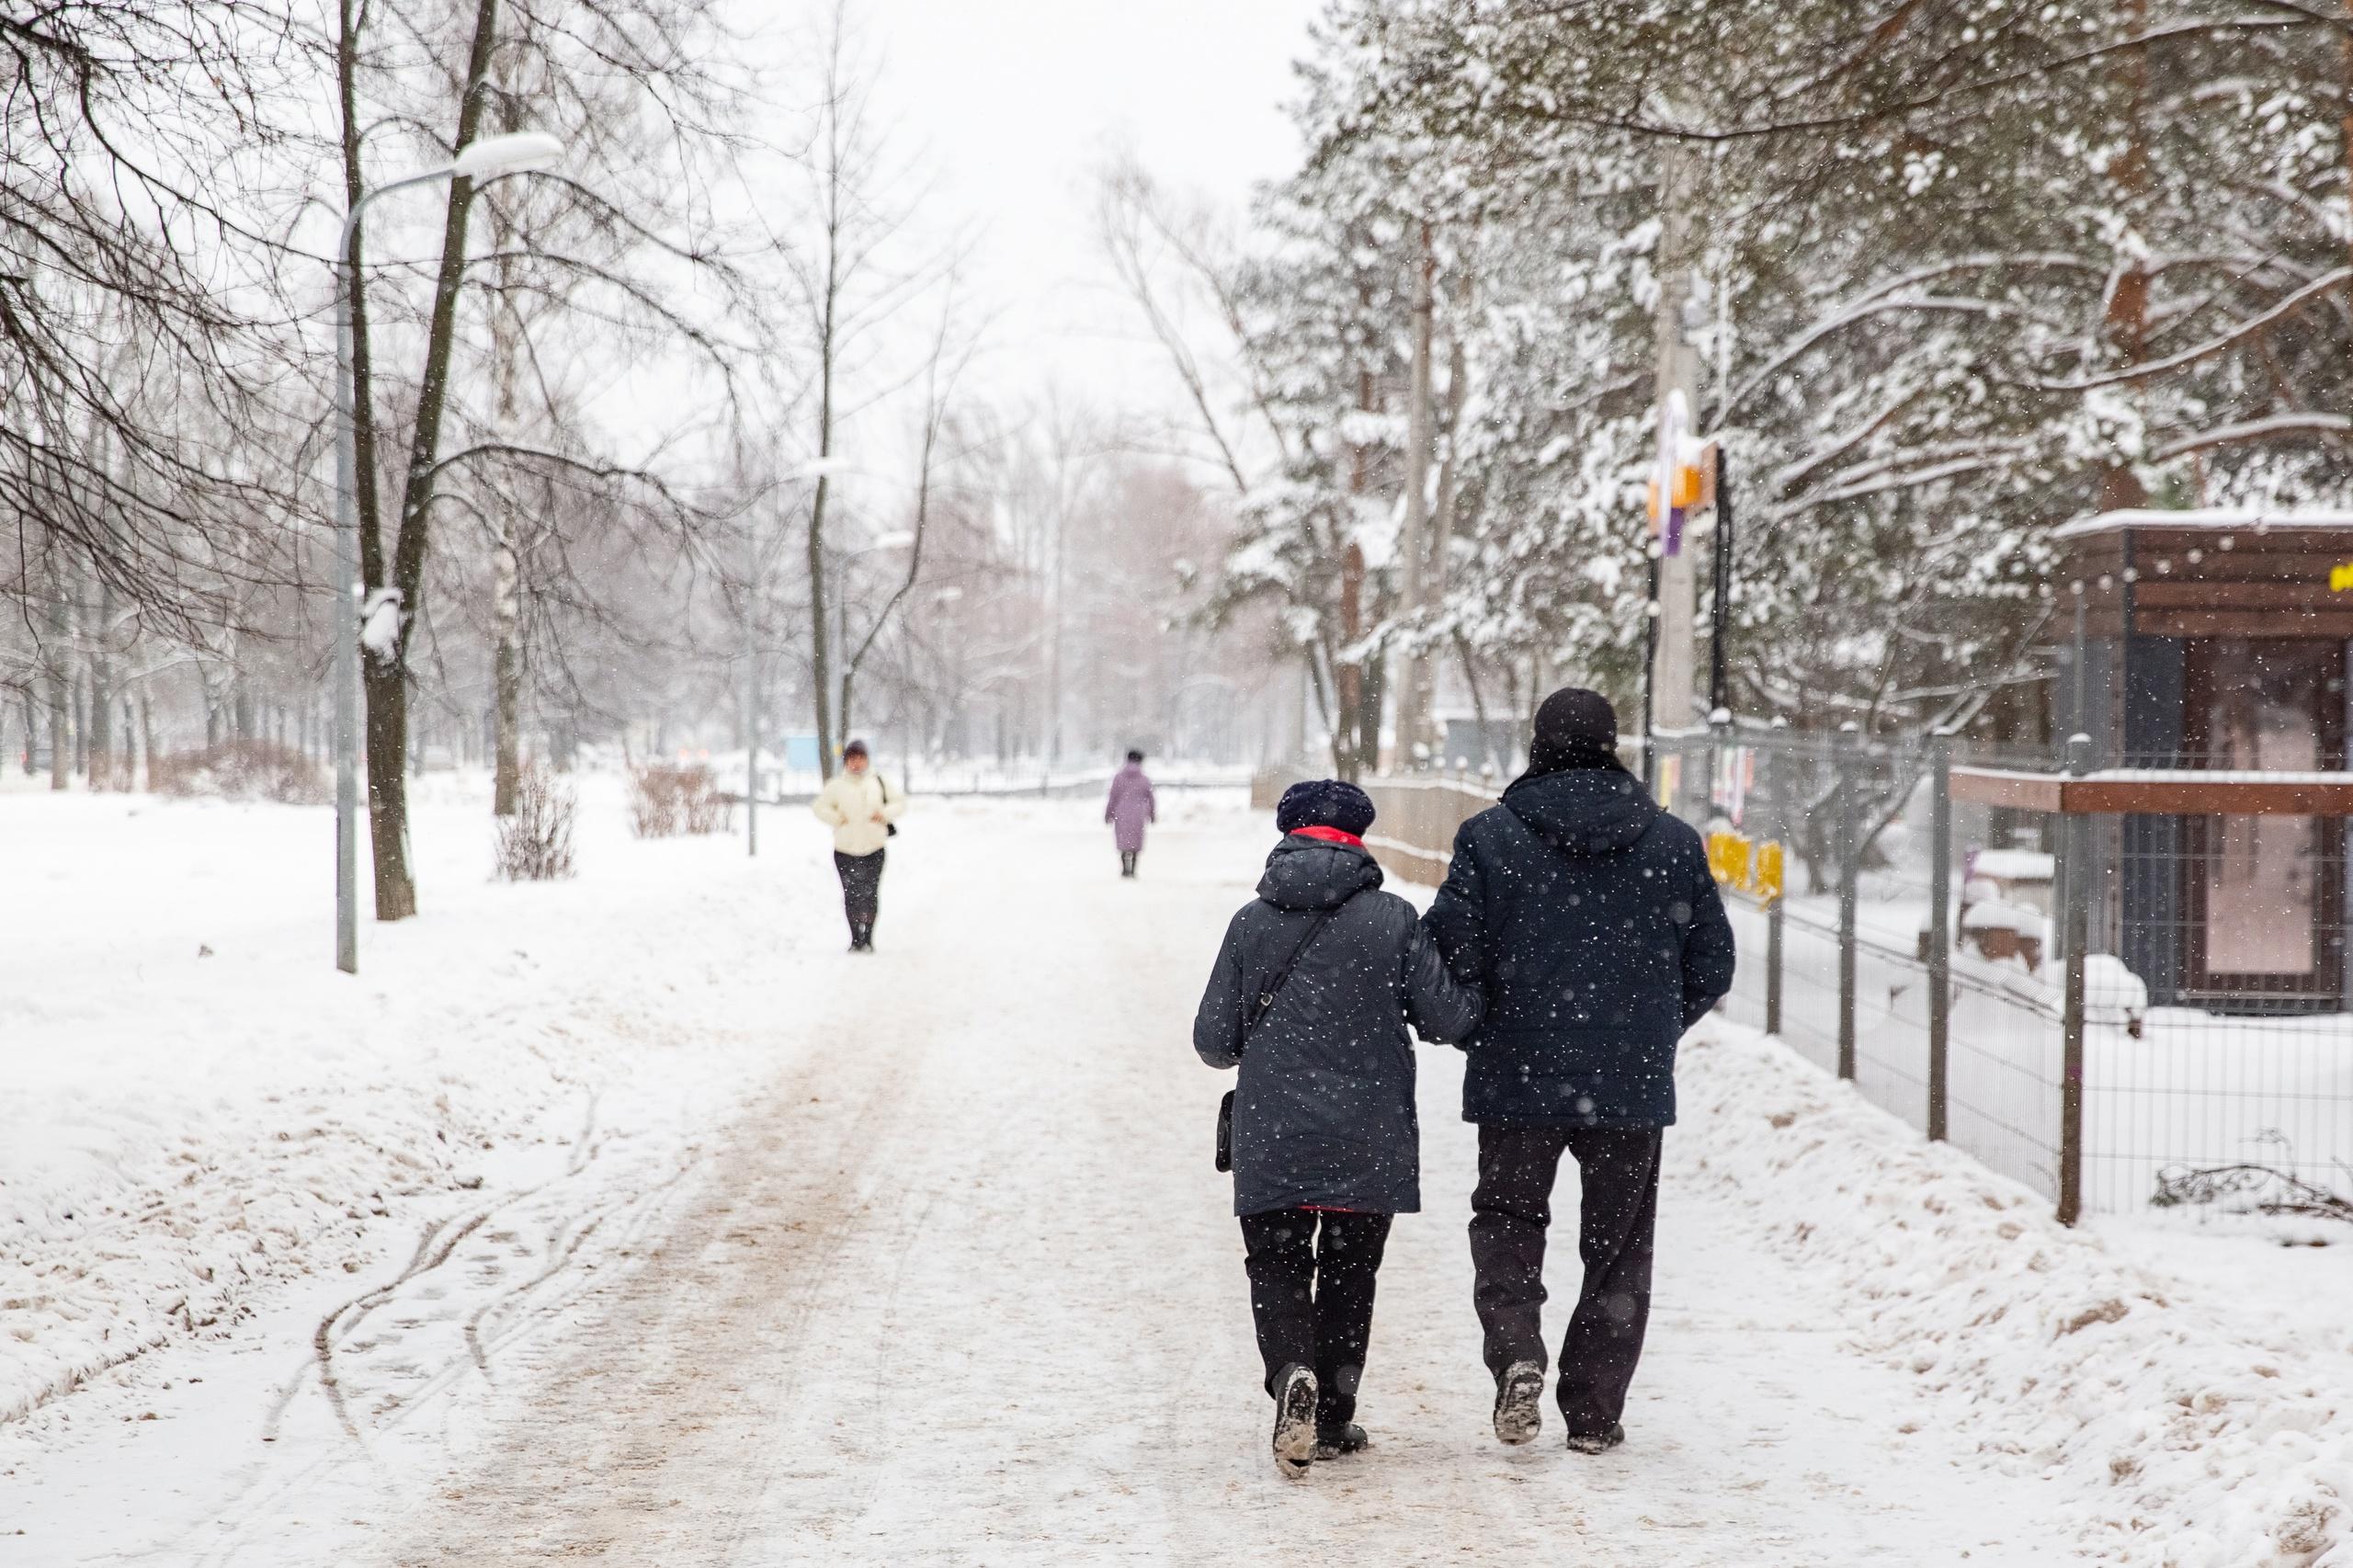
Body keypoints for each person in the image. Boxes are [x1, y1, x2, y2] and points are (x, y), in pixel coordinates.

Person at [1424, 687, 1734, 1455]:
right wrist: (1652, 1029)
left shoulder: (1488, 839)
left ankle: (1517, 1351)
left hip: (1517, 1071)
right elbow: (1713, 963)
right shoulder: (1672, 842)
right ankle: (1594, 1413)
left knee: (1508, 1220)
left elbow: (1449, 948)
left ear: (1537, 743)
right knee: (1619, 1246)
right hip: (1628, 1083)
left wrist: (1489, 1027)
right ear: (1613, 744)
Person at [1194, 779, 1483, 1479]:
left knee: (1277, 1264)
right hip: (1367, 1133)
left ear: (1287, 836)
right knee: (1352, 1271)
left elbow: (1212, 1041)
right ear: (1362, 838)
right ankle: (1332, 1415)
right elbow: (1448, 1019)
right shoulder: (1394, 920)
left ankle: (1293, 1370)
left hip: (1275, 1131)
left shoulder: (1251, 922)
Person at [810, 740, 906, 951]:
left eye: (860, 758)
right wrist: (837, 818)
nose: (856, 763)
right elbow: (819, 807)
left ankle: (869, 938)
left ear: (867, 759)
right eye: (852, 759)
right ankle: (855, 939)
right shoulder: (837, 786)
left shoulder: (877, 782)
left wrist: (885, 814)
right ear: (846, 761)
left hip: (874, 848)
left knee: (870, 893)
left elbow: (899, 802)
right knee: (851, 894)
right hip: (845, 850)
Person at [1105, 749, 1156, 878]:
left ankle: (1124, 869)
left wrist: (1108, 814)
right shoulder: (1145, 779)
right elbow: (1150, 798)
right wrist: (1152, 814)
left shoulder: (1118, 778)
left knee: (1123, 841)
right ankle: (1133, 869)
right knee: (1135, 842)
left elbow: (1113, 797)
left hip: (1121, 813)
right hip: (1138, 814)